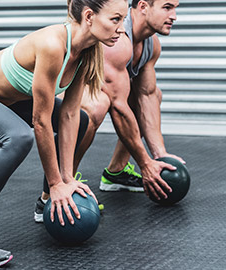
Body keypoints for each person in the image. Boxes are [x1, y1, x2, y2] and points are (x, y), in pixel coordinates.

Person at [0, 0, 128, 268]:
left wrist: (66, 179)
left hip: (8, 99)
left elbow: (69, 115)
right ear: (90, 16)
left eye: (123, 20)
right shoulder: (52, 44)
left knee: (81, 119)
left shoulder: (88, 50)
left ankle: (46, 202)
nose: (121, 28)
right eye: (115, 19)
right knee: (19, 138)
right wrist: (57, 181)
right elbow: (41, 121)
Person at [33, 0, 184, 223]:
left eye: (175, 8)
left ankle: (116, 173)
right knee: (98, 105)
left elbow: (147, 96)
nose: (174, 16)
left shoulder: (152, 45)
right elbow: (118, 106)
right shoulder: (118, 41)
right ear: (143, 7)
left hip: (104, 94)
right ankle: (59, 188)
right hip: (63, 98)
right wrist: (145, 164)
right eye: (167, 7)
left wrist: (159, 155)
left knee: (154, 94)